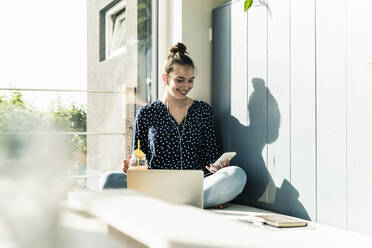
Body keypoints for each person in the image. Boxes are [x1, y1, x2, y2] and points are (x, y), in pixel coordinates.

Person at [100, 42, 247, 208]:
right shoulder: (146, 114)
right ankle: (198, 203)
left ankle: (176, 204)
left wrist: (218, 166)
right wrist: (131, 168)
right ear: (165, 78)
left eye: (191, 80)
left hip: (197, 185)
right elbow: (138, 155)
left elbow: (211, 156)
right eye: (180, 80)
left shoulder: (203, 110)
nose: (186, 86)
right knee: (109, 181)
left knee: (237, 174)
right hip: (156, 187)